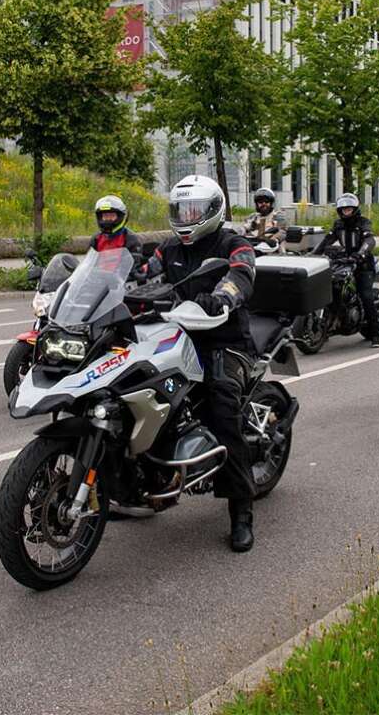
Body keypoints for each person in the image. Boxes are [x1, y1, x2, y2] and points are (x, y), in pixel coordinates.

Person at [141, 175, 261, 553]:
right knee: (135, 391)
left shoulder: (233, 243)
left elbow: (241, 274)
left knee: (221, 407)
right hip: (174, 339)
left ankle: (241, 510)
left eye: (193, 210)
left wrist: (222, 297)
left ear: (213, 211)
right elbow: (143, 274)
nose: (186, 217)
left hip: (224, 341)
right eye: (180, 210)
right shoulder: (168, 248)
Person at [327, 193, 379, 348]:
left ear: (355, 209)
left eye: (349, 208)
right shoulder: (338, 225)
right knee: (333, 288)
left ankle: (375, 333)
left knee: (365, 295)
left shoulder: (363, 223)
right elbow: (327, 240)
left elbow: (369, 240)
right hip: (345, 262)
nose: (346, 211)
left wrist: (360, 254)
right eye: (344, 209)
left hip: (363, 264)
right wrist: (312, 254)